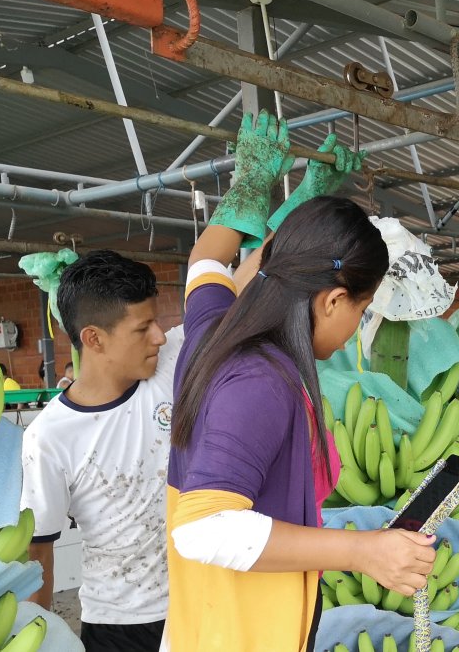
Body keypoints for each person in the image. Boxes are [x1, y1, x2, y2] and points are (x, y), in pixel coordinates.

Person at [165, 116, 434, 651]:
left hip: (202, 626)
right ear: (333, 300)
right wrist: (363, 551)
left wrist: (259, 188)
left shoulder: (212, 329)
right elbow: (202, 527)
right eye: (362, 309)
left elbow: (206, 260)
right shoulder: (261, 380)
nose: (357, 325)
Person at [20, 250, 182, 652]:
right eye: (142, 328)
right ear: (94, 338)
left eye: (157, 322)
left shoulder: (168, 366)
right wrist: (35, 639)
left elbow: (233, 290)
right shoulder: (49, 437)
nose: (160, 336)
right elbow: (38, 549)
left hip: (197, 606)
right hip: (118, 627)